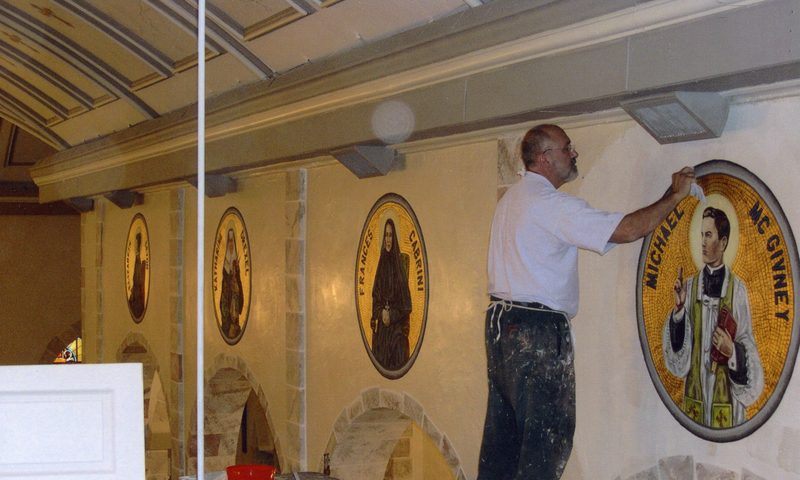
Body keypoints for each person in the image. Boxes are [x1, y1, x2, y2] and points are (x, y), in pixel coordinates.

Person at [480, 124, 696, 480]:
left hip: (501, 327)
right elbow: (626, 230)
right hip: (536, 331)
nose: (574, 153)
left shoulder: (512, 200)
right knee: (544, 446)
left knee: (503, 445)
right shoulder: (550, 204)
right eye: (567, 148)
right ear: (545, 158)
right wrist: (674, 197)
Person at [663, 207, 763, 428]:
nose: (703, 242)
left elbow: (748, 342)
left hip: (727, 406)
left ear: (724, 242)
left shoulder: (737, 291)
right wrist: (679, 311)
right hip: (694, 402)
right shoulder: (689, 287)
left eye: (709, 235)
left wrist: (733, 352)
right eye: (701, 235)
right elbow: (678, 362)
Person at [370, 218, 413, 370]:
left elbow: (407, 305)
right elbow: (375, 299)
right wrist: (381, 312)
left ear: (394, 238)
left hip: (395, 326)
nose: (388, 239)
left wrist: (392, 315)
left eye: (390, 235)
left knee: (397, 345)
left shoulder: (398, 266)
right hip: (382, 326)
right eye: (386, 235)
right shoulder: (381, 265)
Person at [220, 227, 244, 339]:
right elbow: (224, 282)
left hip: (234, 295)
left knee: (234, 312)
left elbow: (238, 281)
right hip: (226, 294)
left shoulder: (236, 262)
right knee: (225, 308)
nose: (230, 244)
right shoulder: (225, 262)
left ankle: (233, 327)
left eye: (231, 242)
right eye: (228, 242)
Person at [128, 230, 147, 319]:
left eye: (137, 244)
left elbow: (139, 280)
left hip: (138, 291)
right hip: (135, 290)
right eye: (135, 244)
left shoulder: (140, 260)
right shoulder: (135, 258)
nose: (135, 246)